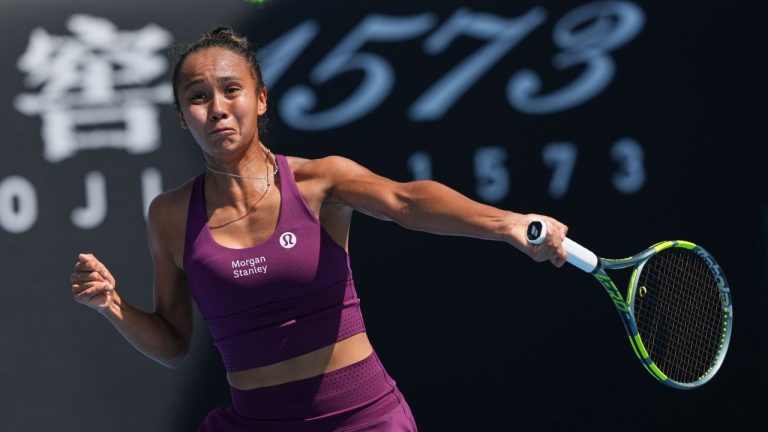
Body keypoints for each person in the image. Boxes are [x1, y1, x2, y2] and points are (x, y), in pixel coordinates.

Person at [69, 26, 569, 432]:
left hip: (363, 421)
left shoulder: (319, 181)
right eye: (197, 97)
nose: (217, 107)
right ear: (182, 117)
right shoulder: (170, 214)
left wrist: (507, 223)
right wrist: (113, 306)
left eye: (231, 89)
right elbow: (174, 344)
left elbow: (405, 199)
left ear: (260, 100)